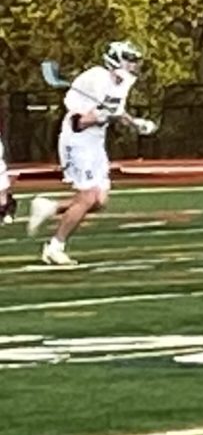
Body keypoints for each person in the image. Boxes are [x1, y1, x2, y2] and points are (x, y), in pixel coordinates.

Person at [28, 42, 155, 267]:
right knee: (87, 197)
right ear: (115, 59)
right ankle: (55, 247)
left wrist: (134, 123)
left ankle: (51, 207)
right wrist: (100, 116)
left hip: (96, 142)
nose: (133, 64)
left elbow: (115, 109)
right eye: (129, 59)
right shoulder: (93, 79)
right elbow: (78, 123)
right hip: (77, 141)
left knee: (99, 201)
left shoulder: (124, 81)